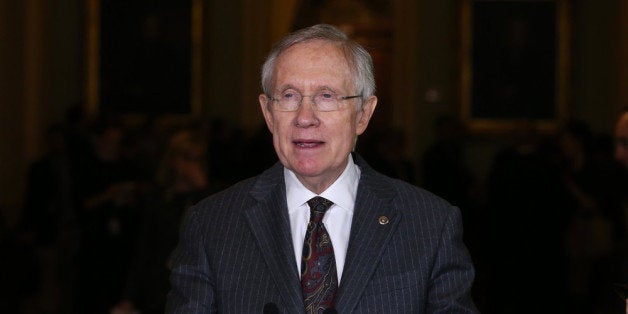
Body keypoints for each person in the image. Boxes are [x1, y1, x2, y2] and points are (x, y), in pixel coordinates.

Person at [166, 24, 477, 313]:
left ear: (363, 114)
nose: (305, 117)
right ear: (269, 113)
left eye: (326, 97)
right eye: (289, 96)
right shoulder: (211, 225)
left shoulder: (430, 226)